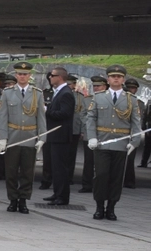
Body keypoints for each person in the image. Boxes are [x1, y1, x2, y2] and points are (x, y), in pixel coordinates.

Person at [86, 64, 142, 221]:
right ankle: (99, 207)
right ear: (108, 79)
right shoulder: (98, 97)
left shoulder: (131, 99)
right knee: (101, 175)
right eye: (113, 76)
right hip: (102, 142)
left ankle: (111, 208)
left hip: (121, 144)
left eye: (119, 76)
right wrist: (92, 137)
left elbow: (135, 122)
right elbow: (91, 118)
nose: (116, 79)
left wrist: (135, 141)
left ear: (123, 79)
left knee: (117, 177)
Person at [0, 61, 46, 214]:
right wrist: (2, 138)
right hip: (12, 137)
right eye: (19, 74)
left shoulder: (37, 93)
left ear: (29, 76)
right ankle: (12, 200)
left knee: (27, 171)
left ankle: (23, 200)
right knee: (11, 171)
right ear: (16, 75)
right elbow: (3, 117)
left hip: (30, 137)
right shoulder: (7, 93)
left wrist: (42, 138)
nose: (22, 76)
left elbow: (41, 118)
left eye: (25, 74)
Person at [42, 66, 75, 206]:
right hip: (54, 135)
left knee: (61, 168)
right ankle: (57, 193)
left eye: (53, 75)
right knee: (55, 167)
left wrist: (46, 111)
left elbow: (65, 114)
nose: (50, 77)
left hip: (61, 136)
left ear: (60, 77)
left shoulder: (66, 93)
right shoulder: (59, 92)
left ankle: (62, 196)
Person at [79, 75, 108, 193]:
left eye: (99, 86)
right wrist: (91, 125)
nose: (96, 88)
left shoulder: (109, 99)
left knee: (104, 162)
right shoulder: (87, 99)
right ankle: (87, 185)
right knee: (89, 161)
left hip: (105, 135)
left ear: (105, 86)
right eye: (94, 86)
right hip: (90, 134)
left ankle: (103, 185)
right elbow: (82, 115)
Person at [122, 77, 144, 188]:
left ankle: (129, 181)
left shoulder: (138, 103)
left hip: (132, 134)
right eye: (129, 87)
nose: (131, 90)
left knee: (130, 159)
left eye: (133, 88)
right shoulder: (120, 100)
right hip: (120, 133)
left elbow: (140, 119)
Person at [65, 74, 85, 187]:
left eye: (70, 84)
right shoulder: (60, 94)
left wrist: (82, 130)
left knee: (71, 155)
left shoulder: (80, 97)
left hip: (74, 129)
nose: (69, 86)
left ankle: (69, 176)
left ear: (74, 85)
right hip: (63, 130)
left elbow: (82, 115)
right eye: (67, 84)